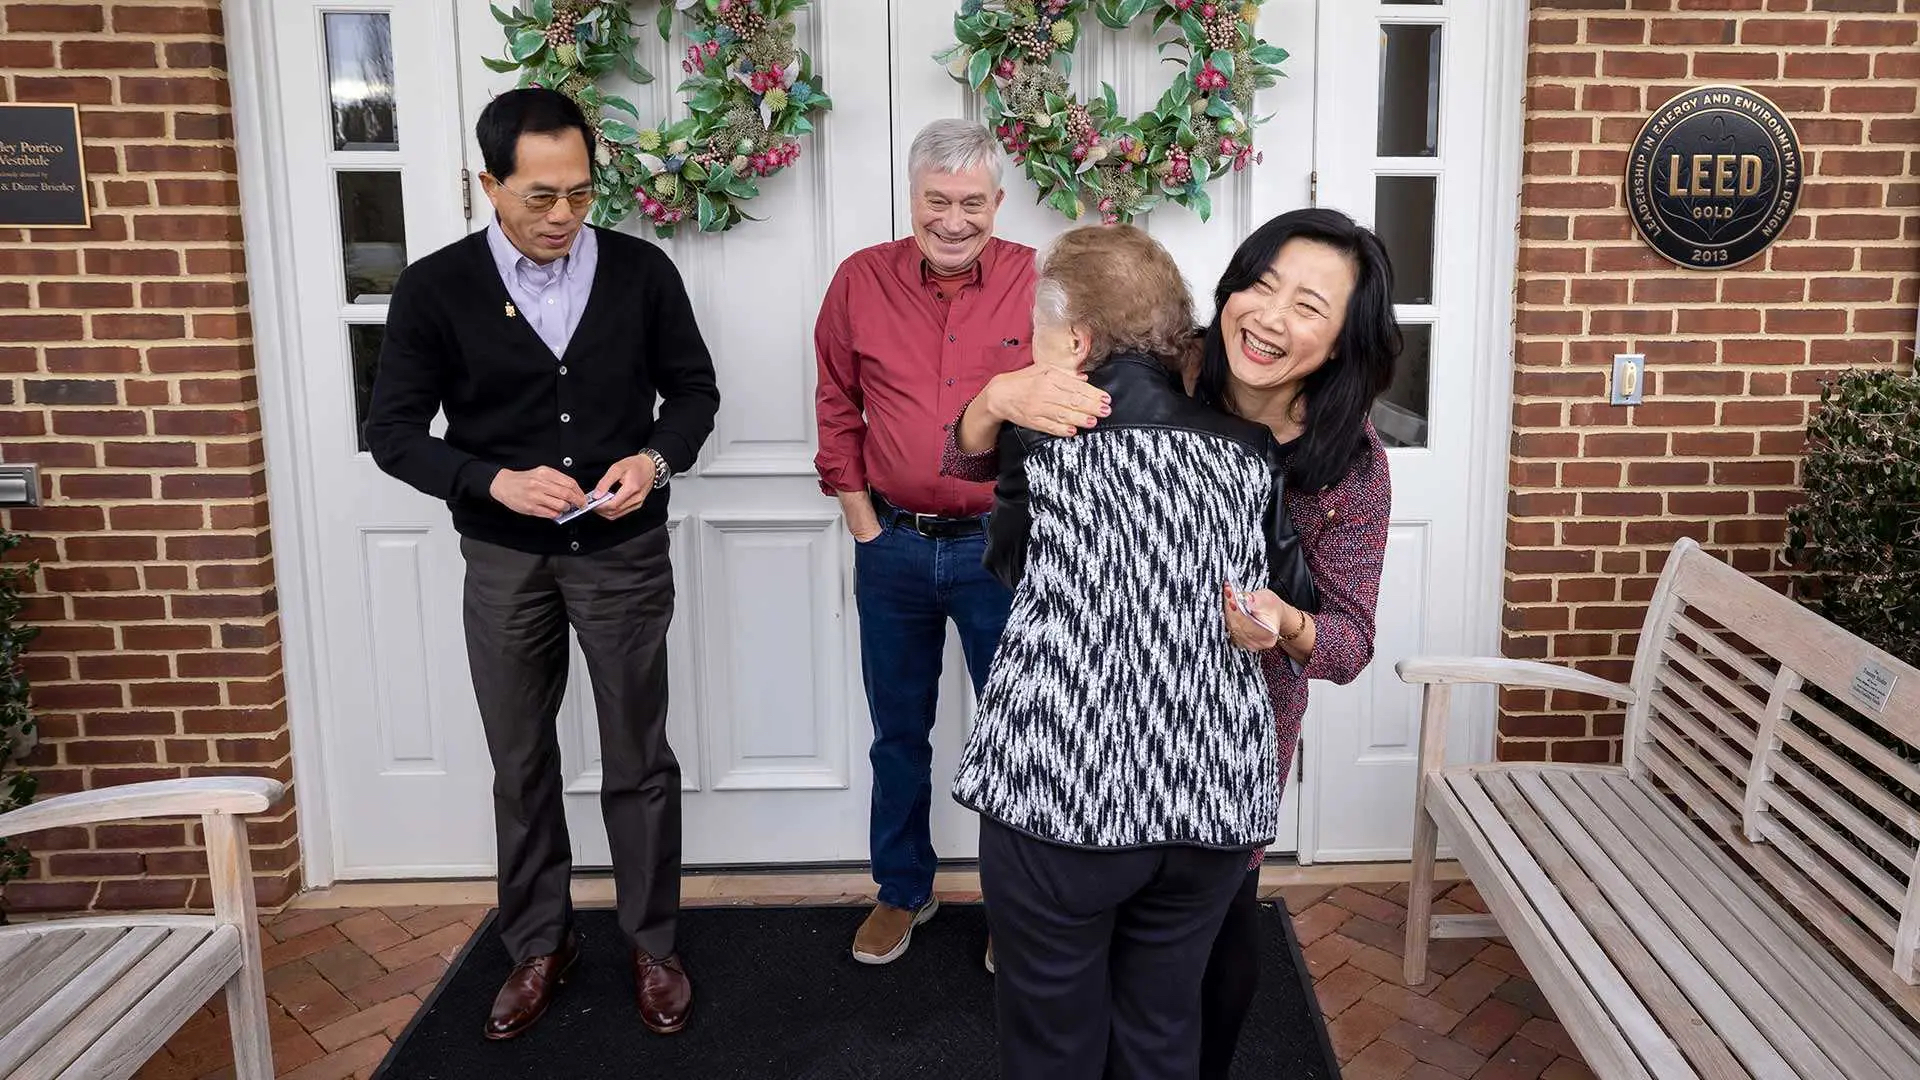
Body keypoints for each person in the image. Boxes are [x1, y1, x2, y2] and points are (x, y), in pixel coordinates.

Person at [948, 208, 1395, 1078]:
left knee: (1193, 998)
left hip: (1208, 753)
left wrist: (1287, 624)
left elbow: (1348, 641)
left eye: (1309, 305)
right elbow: (974, 459)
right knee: (1154, 1015)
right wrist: (998, 397)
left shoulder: (1353, 465)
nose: (1270, 316)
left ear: (1343, 341)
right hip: (1192, 784)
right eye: (1261, 286)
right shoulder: (1164, 365)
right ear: (1225, 293)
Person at [364, 87, 719, 1040]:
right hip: (506, 562)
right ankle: (537, 944)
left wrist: (654, 458)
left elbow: (693, 391)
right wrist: (487, 481)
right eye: (538, 197)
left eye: (579, 193)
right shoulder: (435, 287)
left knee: (638, 758)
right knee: (519, 761)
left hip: (624, 556)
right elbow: (391, 433)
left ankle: (653, 942)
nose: (561, 215)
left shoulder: (643, 273)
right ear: (488, 183)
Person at [812, 119, 1052, 966]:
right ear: (913, 195)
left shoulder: (1039, 280)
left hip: (1005, 549)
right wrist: (861, 522)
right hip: (895, 548)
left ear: (999, 201)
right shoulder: (859, 281)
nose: (955, 221)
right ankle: (902, 890)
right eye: (938, 202)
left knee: (1019, 732)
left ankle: (1018, 909)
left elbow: (1076, 399)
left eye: (973, 203)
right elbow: (837, 402)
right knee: (898, 732)